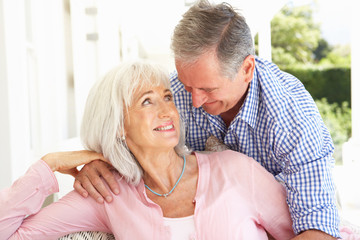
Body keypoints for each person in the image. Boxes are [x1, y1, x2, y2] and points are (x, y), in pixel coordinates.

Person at [73, 0, 341, 239]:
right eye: (189, 87)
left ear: (247, 69)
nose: (195, 102)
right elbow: (136, 140)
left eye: (208, 90)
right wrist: (95, 161)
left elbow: (318, 229)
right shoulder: (177, 94)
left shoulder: (292, 116)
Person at [0, 61, 295, 239]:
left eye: (167, 97)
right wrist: (49, 164)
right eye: (147, 101)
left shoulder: (235, 169)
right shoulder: (107, 195)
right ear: (118, 125)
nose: (167, 110)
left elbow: (308, 232)